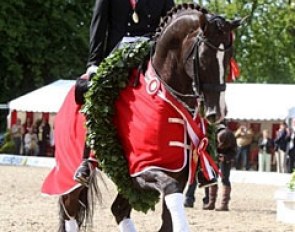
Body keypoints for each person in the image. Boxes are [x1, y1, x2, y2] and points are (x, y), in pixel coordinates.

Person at [74, 0, 175, 185]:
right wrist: (94, 63)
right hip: (116, 56)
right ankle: (86, 161)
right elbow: (99, 25)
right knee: (97, 94)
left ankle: (196, 162)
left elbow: (172, 23)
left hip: (150, 57)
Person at [184, 123, 237, 211]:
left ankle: (224, 204)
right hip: (212, 157)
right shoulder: (211, 134)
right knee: (211, 178)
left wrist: (226, 157)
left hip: (226, 159)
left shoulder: (231, 137)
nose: (220, 145)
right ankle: (211, 202)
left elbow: (234, 151)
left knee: (225, 179)